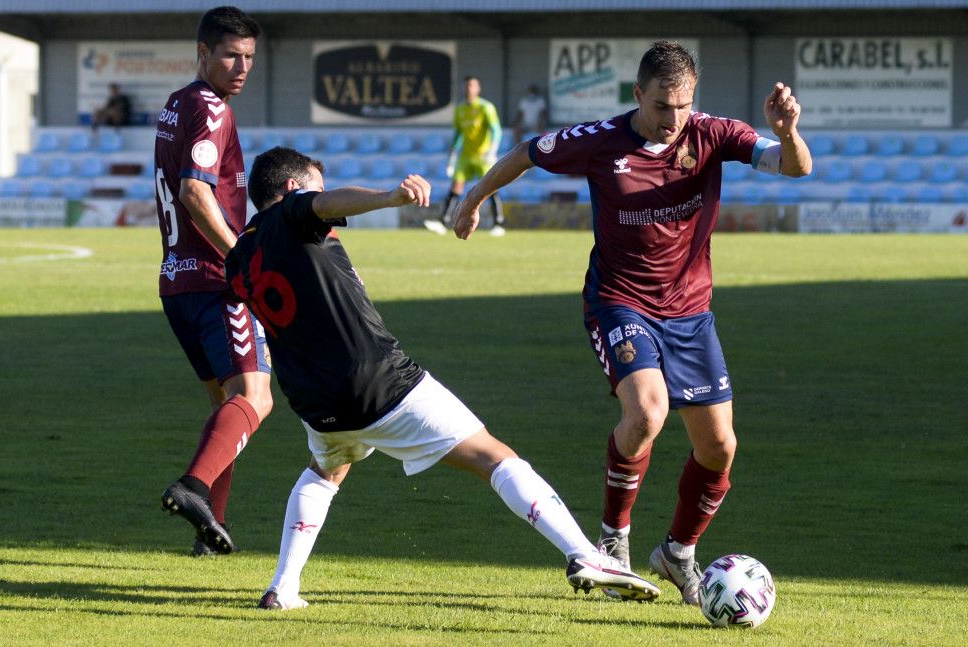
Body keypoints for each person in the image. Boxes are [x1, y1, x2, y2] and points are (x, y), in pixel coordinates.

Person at [449, 41, 812, 605]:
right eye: (663, 105)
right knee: (646, 411)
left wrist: (787, 130)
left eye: (684, 106)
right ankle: (612, 542)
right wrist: (474, 199)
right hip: (620, 301)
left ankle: (677, 553)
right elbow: (525, 151)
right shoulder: (598, 141)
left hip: (690, 311)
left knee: (719, 447)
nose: (674, 119)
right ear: (638, 94)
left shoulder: (713, 134)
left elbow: (796, 167)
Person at [227, 146, 661, 610]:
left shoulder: (240, 255)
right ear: (292, 189)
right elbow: (325, 204)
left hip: (314, 401)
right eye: (316, 184)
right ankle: (585, 555)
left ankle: (283, 588)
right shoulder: (294, 212)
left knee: (326, 471)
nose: (322, 194)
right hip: (377, 381)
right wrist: (390, 197)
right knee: (494, 457)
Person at [154, 6, 270, 556]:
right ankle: (194, 489)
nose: (241, 66)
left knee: (225, 405)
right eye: (231, 55)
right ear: (203, 52)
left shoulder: (177, 103)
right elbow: (195, 192)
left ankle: (211, 527)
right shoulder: (212, 108)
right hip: (215, 281)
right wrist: (241, 257)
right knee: (256, 396)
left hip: (176, 281)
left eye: (249, 57)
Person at [423, 76, 505, 236]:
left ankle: (499, 224)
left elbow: (496, 130)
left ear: (478, 89)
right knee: (455, 188)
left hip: (483, 156)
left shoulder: (485, 107)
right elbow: (458, 135)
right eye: (466, 86)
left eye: (472, 86)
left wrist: (492, 151)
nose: (469, 89)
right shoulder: (460, 109)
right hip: (465, 156)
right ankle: (442, 222)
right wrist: (452, 158)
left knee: (491, 189)